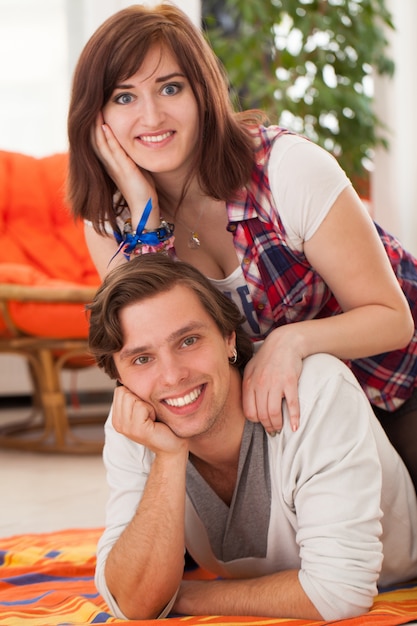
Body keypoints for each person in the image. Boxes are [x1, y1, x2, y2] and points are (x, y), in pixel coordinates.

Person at [68, 3, 417, 488]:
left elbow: (393, 319)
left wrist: (290, 340)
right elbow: (149, 345)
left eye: (171, 88)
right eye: (124, 98)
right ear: (96, 116)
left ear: (203, 93)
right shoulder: (111, 223)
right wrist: (146, 218)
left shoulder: (287, 170)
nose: (152, 115)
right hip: (282, 414)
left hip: (394, 385)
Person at [87, 253, 417, 622]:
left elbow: (339, 595)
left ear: (229, 338)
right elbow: (130, 602)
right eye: (142, 359)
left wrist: (182, 597)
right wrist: (168, 456)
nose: (172, 376)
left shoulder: (313, 391)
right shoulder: (136, 427)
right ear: (120, 378)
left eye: (189, 340)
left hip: (396, 580)